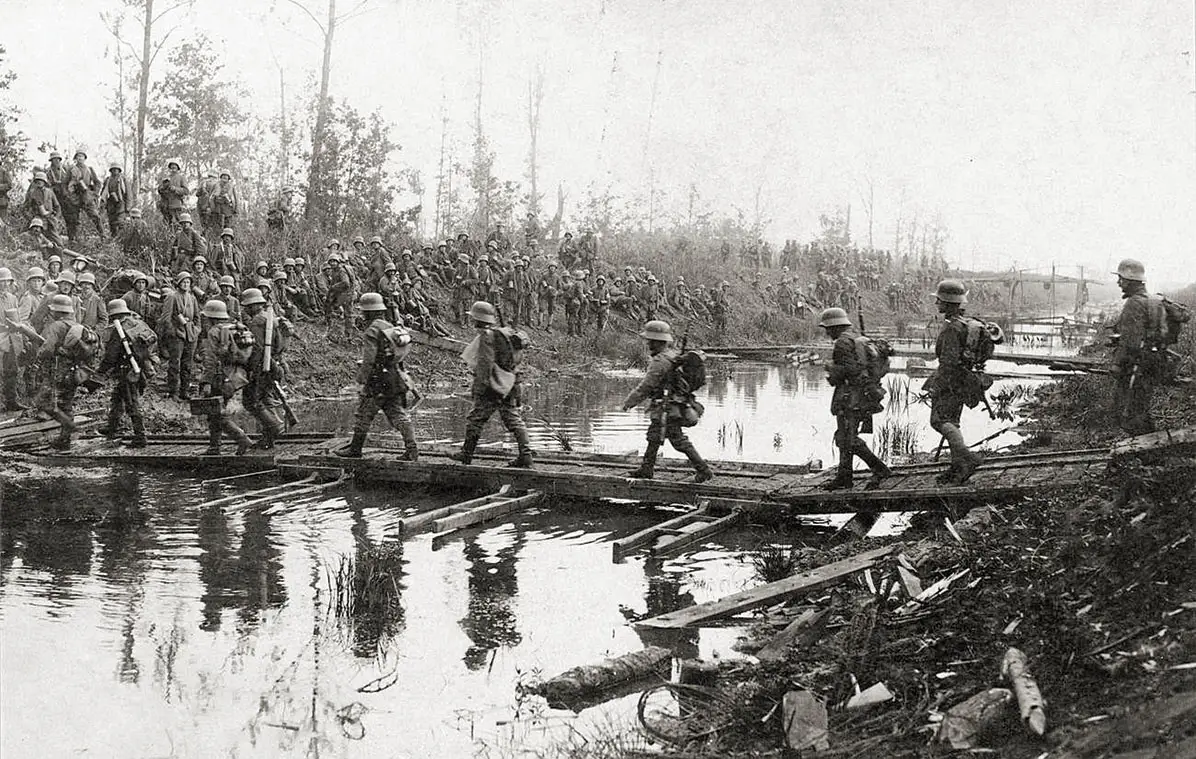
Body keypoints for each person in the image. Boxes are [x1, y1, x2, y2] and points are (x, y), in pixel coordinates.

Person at [621, 320, 712, 483]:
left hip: (668, 407)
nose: (648, 344)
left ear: (657, 342)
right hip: (671, 404)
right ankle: (646, 469)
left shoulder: (660, 361)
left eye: (650, 341)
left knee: (678, 440)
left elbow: (647, 385)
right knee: (654, 436)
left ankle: (704, 470)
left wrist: (629, 402)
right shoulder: (672, 355)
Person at [334, 292, 420, 460]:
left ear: (368, 312)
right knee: (397, 414)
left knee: (364, 414)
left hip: (377, 380)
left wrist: (361, 381)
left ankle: (355, 450)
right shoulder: (388, 326)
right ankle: (412, 449)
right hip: (394, 377)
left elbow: (369, 360)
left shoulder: (372, 330)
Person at [450, 300, 533, 468]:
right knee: (513, 419)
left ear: (477, 319)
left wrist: (478, 388)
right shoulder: (505, 333)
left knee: (475, 419)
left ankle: (466, 455)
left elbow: (485, 364)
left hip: (493, 386)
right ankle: (526, 456)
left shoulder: (487, 337)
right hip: (510, 383)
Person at [818, 308, 892, 490]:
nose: (827, 332)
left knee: (848, 438)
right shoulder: (856, 338)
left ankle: (879, 469)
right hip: (861, 394)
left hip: (851, 397)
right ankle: (845, 478)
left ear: (835, 327)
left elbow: (849, 371)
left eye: (828, 328)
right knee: (845, 436)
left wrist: (830, 368)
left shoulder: (842, 343)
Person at [926, 279, 985, 485]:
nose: (937, 304)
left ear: (948, 303)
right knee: (952, 421)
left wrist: (938, 385)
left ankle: (966, 460)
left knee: (940, 421)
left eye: (939, 301)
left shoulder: (952, 328)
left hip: (950, 381)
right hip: (962, 380)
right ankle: (956, 466)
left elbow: (948, 362)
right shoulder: (964, 324)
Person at [1110, 258, 1163, 436]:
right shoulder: (1152, 300)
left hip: (1136, 365)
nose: (1119, 283)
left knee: (1127, 409)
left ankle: (1139, 452)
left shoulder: (1134, 303)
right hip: (1152, 361)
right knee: (1141, 406)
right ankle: (1150, 446)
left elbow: (1130, 342)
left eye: (1121, 279)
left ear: (1131, 281)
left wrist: (1117, 364)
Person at [95, 299, 157, 447]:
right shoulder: (138, 323)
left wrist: (100, 372)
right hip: (139, 367)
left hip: (126, 370)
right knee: (117, 397)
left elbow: (111, 356)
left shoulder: (119, 330)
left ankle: (140, 436)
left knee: (131, 402)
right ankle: (112, 426)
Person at [197, 299, 255, 455]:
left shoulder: (214, 332)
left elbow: (210, 360)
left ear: (211, 317)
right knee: (216, 411)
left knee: (217, 412)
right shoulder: (234, 328)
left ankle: (242, 439)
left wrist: (206, 382)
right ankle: (214, 447)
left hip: (220, 377)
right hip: (236, 376)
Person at [34, 294, 89, 450]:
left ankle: (69, 426)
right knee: (66, 403)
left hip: (57, 371)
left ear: (56, 311)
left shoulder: (55, 326)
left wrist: (38, 357)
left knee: (42, 402)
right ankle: (64, 440)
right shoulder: (76, 325)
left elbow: (47, 350)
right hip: (74, 372)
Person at [241, 288, 289, 450]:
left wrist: (253, 371)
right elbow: (279, 345)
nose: (246, 309)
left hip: (262, 367)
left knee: (250, 401)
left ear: (255, 306)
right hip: (273, 364)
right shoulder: (271, 319)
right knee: (265, 402)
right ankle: (267, 439)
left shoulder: (257, 322)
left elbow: (257, 349)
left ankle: (275, 427)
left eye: (248, 306)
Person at [158, 271, 201, 400]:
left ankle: (184, 391)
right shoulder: (172, 296)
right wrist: (173, 332)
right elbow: (166, 318)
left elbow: (197, 317)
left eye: (188, 282)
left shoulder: (192, 298)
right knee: (175, 364)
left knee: (187, 365)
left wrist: (196, 330)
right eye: (183, 282)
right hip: (177, 334)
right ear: (178, 283)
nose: (186, 284)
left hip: (190, 334)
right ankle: (174, 392)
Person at [64, 150, 105, 242]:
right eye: (78, 156)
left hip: (87, 196)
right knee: (73, 219)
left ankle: (103, 236)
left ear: (85, 158)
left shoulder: (89, 169)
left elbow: (97, 182)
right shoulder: (71, 169)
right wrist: (67, 194)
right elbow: (64, 183)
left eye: (82, 156)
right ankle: (72, 239)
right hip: (74, 196)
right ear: (76, 158)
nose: (80, 158)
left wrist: (94, 193)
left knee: (95, 216)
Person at [0, 268, 22, 410]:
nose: (4, 284)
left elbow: (18, 318)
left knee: (12, 370)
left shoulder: (12, 298)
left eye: (6, 281)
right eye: (1, 281)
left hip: (11, 339)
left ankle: (11, 402)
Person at [100, 164, 130, 235]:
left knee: (121, 222)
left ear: (119, 170)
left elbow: (128, 193)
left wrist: (128, 207)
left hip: (121, 202)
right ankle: (113, 238)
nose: (115, 171)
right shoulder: (108, 180)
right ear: (111, 171)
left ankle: (122, 238)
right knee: (112, 222)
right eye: (113, 169)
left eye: (116, 169)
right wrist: (103, 204)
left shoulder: (123, 179)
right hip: (111, 203)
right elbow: (103, 192)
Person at [158, 159, 190, 226]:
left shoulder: (181, 178)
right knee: (167, 224)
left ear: (177, 168)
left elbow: (186, 191)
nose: (172, 170)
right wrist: (163, 187)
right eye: (171, 168)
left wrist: (175, 189)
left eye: (174, 168)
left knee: (178, 223)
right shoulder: (166, 178)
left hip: (177, 205)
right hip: (166, 206)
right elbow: (159, 190)